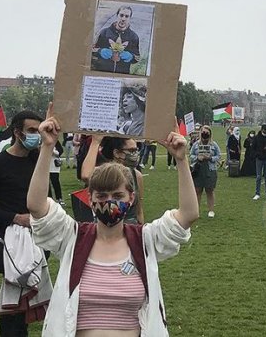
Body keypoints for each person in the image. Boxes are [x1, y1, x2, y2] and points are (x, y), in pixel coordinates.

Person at [25, 110, 197, 336]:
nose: (109, 202)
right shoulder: (73, 237)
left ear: (131, 198)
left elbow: (188, 214)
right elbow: (37, 206)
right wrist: (47, 147)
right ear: (90, 198)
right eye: (102, 196)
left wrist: (182, 160)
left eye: (117, 196)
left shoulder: (145, 240)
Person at [0, 110, 47, 336]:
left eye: (39, 131)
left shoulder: (38, 160)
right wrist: (15, 218)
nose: (36, 136)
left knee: (35, 298)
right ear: (17, 132)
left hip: (39, 237)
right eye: (31, 131)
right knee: (14, 304)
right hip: (12, 241)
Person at [81, 135, 146, 224]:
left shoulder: (136, 175)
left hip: (130, 229)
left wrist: (140, 230)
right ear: (117, 153)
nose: (134, 154)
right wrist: (95, 142)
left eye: (136, 150)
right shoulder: (104, 173)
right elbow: (86, 175)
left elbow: (139, 210)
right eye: (131, 150)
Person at [92, 6, 141, 74]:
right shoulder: (104, 32)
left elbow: (137, 57)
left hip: (122, 75)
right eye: (121, 15)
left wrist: (131, 56)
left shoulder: (134, 37)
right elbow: (91, 50)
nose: (123, 19)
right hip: (102, 73)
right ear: (117, 16)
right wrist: (100, 51)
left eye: (126, 16)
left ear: (130, 18)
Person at [190, 125, 221, 218]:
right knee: (198, 190)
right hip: (198, 169)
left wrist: (210, 158)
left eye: (207, 133)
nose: (205, 135)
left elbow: (218, 156)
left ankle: (211, 210)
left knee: (209, 190)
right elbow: (190, 155)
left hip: (210, 169)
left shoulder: (214, 145)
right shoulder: (196, 144)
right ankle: (196, 210)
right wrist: (197, 158)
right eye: (203, 133)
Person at [253, 125, 266, 200]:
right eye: (264, 131)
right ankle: (257, 193)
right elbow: (253, 148)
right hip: (259, 159)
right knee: (258, 176)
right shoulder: (256, 137)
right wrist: (257, 154)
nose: (265, 132)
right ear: (261, 130)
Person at [49, 141, 65, 206]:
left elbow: (60, 151)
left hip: (54, 166)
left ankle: (59, 199)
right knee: (47, 184)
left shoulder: (55, 141)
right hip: (45, 166)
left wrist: (52, 150)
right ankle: (49, 200)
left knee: (55, 183)